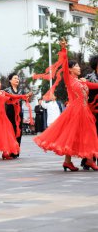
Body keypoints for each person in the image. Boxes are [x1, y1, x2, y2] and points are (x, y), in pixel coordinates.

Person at [33, 39, 98, 171]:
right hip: (75, 112)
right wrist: (64, 50)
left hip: (85, 112)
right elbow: (63, 65)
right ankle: (79, 161)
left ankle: (80, 160)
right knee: (73, 136)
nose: (79, 68)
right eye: (77, 66)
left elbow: (96, 85)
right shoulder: (69, 80)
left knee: (88, 135)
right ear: (70, 69)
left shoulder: (82, 82)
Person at [81, 54, 98, 169]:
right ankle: (88, 159)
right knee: (91, 136)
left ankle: (91, 159)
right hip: (92, 111)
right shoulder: (88, 77)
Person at [5, 73, 27, 158]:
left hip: (19, 114)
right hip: (10, 113)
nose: (17, 80)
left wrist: (27, 97)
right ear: (10, 80)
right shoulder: (7, 90)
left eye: (18, 78)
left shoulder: (21, 90)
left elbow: (24, 99)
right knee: (11, 132)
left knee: (19, 132)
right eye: (15, 78)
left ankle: (17, 150)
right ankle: (11, 150)